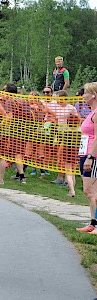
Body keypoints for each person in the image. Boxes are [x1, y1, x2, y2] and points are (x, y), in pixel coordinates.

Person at [76, 82, 97, 234]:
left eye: (86, 93)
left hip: (92, 155)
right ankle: (92, 223)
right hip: (85, 153)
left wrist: (90, 156)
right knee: (88, 191)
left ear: (94, 95)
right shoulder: (91, 112)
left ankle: (95, 224)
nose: (83, 96)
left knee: (92, 192)